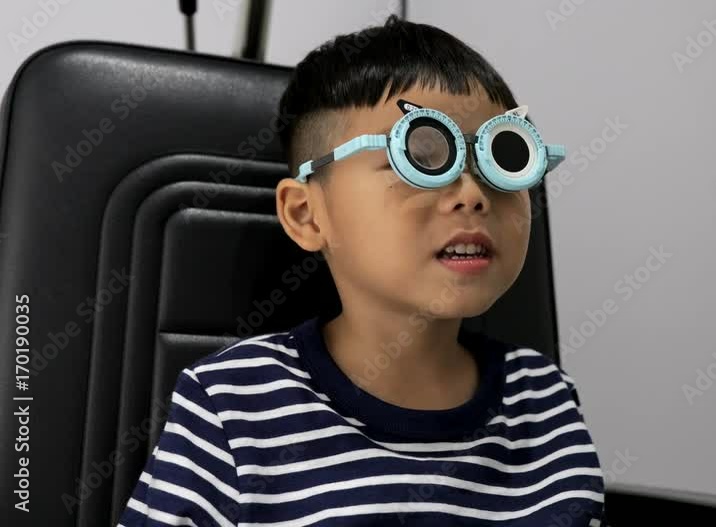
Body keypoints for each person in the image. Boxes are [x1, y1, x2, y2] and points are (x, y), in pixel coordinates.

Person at [116, 15, 607, 526]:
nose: (473, 196)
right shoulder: (235, 406)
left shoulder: (546, 398)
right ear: (307, 215)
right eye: (421, 156)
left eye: (501, 160)